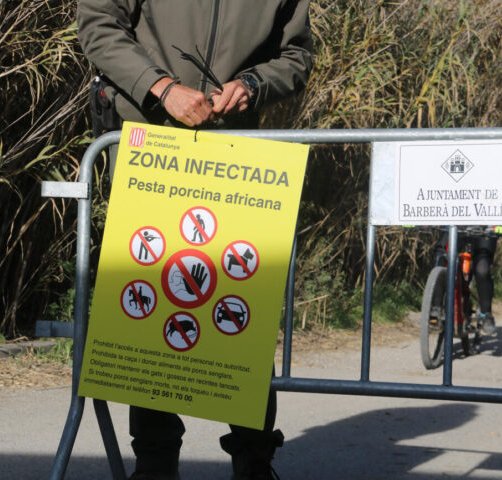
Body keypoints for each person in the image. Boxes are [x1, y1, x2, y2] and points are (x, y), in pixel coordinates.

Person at [77, 2, 314, 479]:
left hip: (237, 157)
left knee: (241, 307)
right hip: (151, 148)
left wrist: (253, 86)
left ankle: (254, 459)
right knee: (151, 307)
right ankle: (155, 462)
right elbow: (99, 23)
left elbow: (297, 55)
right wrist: (160, 88)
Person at [434, 226, 502, 335]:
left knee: (482, 269)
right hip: (458, 225)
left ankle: (486, 314)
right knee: (441, 256)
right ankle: (435, 308)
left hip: (485, 229)